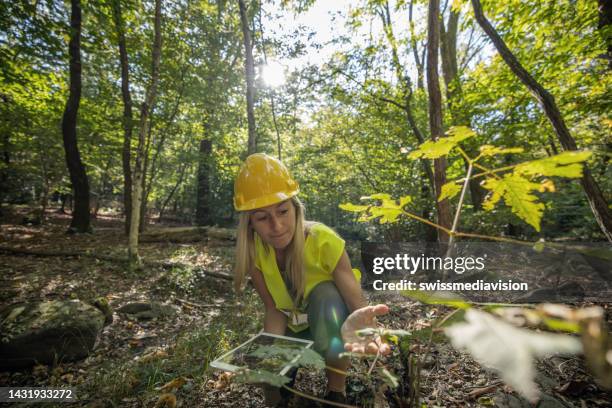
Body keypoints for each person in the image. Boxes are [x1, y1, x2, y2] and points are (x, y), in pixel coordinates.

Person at [233, 153, 390, 406]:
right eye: (262, 217)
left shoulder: (323, 240)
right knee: (272, 386)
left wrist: (366, 327)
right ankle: (282, 389)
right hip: (294, 331)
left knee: (327, 296)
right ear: (250, 224)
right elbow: (274, 310)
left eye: (283, 211)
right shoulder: (255, 254)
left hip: (332, 327)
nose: (277, 225)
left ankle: (335, 392)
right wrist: (270, 354)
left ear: (296, 208)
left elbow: (354, 303)